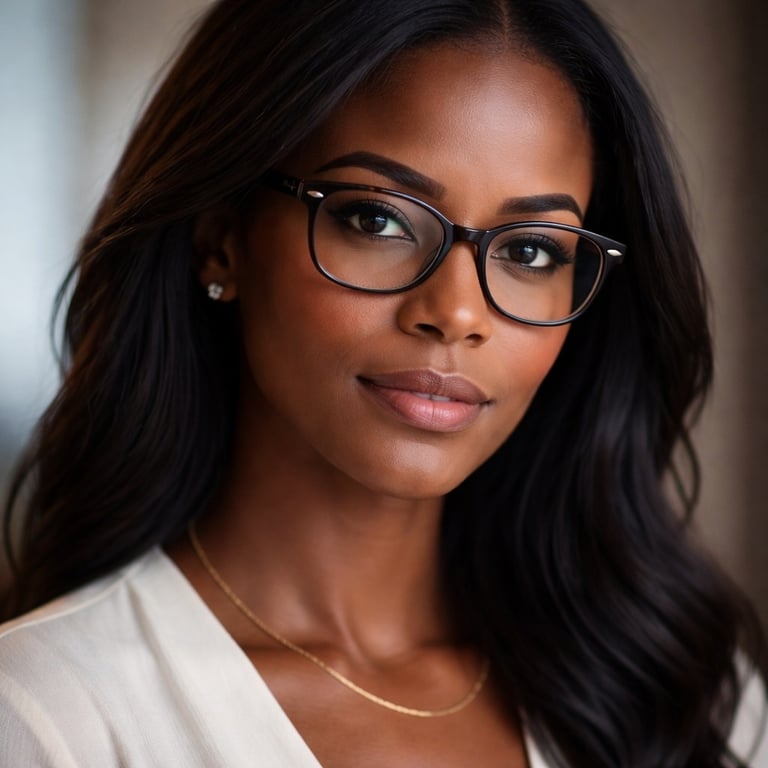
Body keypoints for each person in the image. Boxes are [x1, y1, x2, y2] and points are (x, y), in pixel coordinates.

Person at [0, 0, 766, 765]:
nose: (457, 313)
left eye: (531, 251)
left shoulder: (686, 697)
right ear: (221, 238)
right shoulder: (48, 715)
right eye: (378, 220)